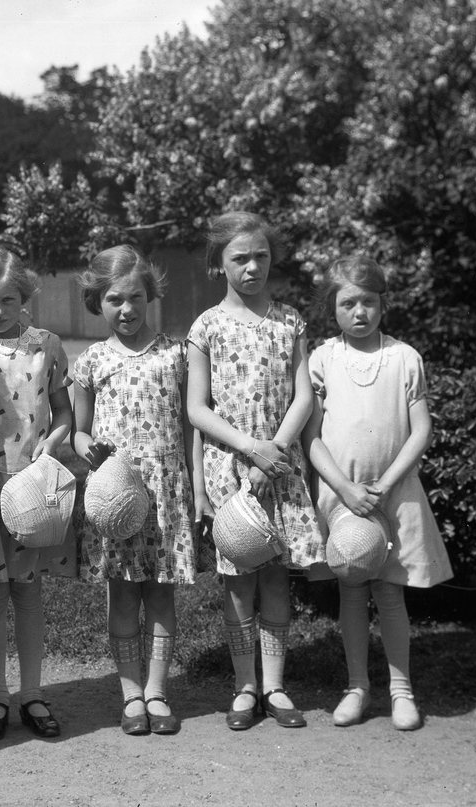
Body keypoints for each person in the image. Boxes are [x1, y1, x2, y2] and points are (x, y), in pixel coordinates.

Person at [302, 255, 452, 731]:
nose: (359, 312)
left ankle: (402, 689)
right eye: (348, 303)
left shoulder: (404, 358)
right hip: (341, 496)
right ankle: (357, 686)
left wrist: (384, 486)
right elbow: (311, 436)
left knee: (390, 592)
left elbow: (421, 430)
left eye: (369, 301)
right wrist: (345, 488)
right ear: (333, 308)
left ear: (383, 303)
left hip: (394, 494)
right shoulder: (323, 357)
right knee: (351, 588)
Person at [186, 211, 322, 731]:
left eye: (260, 256)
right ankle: (244, 687)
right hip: (230, 469)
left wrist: (277, 451)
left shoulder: (290, 322)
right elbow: (198, 409)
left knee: (275, 580)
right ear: (219, 265)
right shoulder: (207, 326)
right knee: (239, 581)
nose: (251, 267)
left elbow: (303, 393)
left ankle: (276, 686)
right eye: (239, 258)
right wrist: (251, 450)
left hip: (281, 470)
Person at [71, 245, 199, 736]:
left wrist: (196, 487)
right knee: (123, 596)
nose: (126, 310)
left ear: (151, 296)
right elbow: (80, 430)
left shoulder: (175, 353)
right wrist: (87, 446)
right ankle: (130, 697)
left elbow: (190, 428)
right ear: (96, 302)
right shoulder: (91, 361)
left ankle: (158, 692)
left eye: (136, 298)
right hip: (116, 495)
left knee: (161, 596)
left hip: (166, 491)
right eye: (114, 300)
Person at [0, 248, 76, 742]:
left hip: (36, 485)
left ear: (25, 298)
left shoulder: (46, 344)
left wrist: (55, 440)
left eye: (9, 300)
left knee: (29, 591)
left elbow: (64, 410)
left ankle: (32, 692)